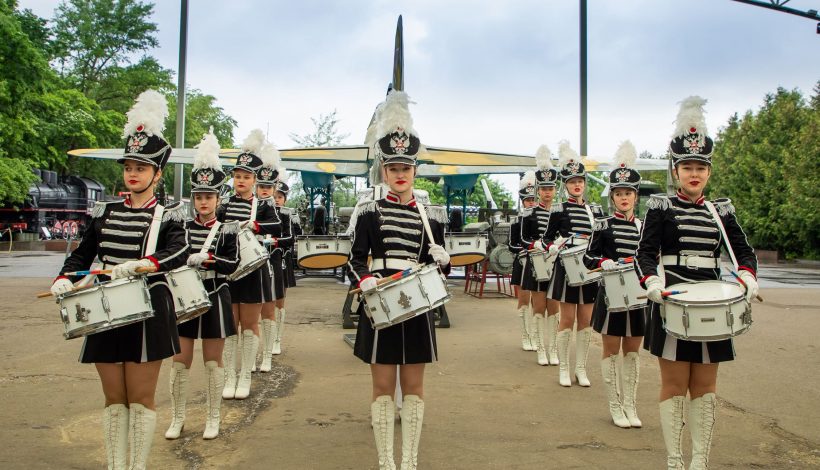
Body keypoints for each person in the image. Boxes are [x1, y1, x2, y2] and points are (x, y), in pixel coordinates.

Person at [50, 90, 188, 469]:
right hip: (103, 304)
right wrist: (64, 278)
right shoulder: (104, 210)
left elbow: (179, 252)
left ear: (157, 174)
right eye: (129, 166)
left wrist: (144, 264)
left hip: (149, 308)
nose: (132, 173)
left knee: (140, 398)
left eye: (141, 168)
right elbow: (82, 253)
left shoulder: (170, 213)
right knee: (113, 398)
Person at [635, 97, 758, 469]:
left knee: (705, 389)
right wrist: (652, 283)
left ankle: (699, 462)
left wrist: (747, 280)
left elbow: (744, 253)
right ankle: (675, 461)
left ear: (708, 171)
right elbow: (644, 254)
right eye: (686, 166)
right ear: (675, 171)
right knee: (674, 387)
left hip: (713, 304)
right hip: (671, 298)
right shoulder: (660, 207)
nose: (693, 173)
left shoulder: (720, 210)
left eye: (699, 168)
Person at [348, 90, 451, 470]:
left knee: (415, 388)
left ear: (415, 170)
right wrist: (364, 282)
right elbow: (354, 260)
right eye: (393, 168)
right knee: (381, 388)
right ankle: (385, 460)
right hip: (381, 301)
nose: (400, 175)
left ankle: (409, 459)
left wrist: (443, 260)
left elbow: (439, 269)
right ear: (383, 171)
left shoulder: (432, 215)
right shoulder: (368, 212)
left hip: (417, 305)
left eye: (406, 168)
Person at [164, 129, 239, 441]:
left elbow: (233, 265)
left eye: (208, 196)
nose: (203, 201)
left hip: (215, 294)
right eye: (198, 196)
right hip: (183, 299)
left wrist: (207, 261)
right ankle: (177, 417)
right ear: (193, 198)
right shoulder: (179, 226)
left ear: (218, 198)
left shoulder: (228, 229)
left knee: (212, 362)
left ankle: (212, 417)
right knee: (180, 362)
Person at [583, 140, 646, 428]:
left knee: (632, 354)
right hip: (611, 296)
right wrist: (602, 262)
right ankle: (615, 405)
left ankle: (631, 405)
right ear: (613, 197)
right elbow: (587, 258)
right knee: (611, 352)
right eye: (619, 193)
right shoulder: (603, 225)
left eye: (628, 193)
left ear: (635, 196)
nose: (624, 198)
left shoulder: (645, 227)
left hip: (639, 296)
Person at [218, 131, 282, 400]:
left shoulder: (264, 204)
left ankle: (245, 375)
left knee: (249, 323)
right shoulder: (223, 205)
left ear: (255, 180)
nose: (240, 181)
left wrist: (255, 225)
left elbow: (277, 225)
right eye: (237, 176)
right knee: (230, 325)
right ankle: (229, 376)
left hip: (253, 270)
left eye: (246, 177)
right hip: (228, 270)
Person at [540, 141, 604, 387]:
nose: (577, 185)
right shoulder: (558, 209)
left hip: (588, 268)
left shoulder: (595, 210)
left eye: (580, 181)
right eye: (572, 181)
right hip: (566, 269)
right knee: (567, 320)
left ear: (585, 183)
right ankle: (564, 368)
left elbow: (600, 239)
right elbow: (546, 239)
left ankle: (581, 368)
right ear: (565, 185)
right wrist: (555, 245)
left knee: (586, 321)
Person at [519, 145, 562, 365]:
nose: (547, 192)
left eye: (550, 188)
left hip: (556, 263)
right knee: (538, 307)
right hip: (536, 263)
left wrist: (559, 243)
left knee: (554, 308)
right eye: (543, 188)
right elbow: (522, 239)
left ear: (555, 189)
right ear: (537, 190)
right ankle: (541, 350)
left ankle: (553, 349)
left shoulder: (560, 211)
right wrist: (536, 243)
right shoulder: (529, 213)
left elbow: (565, 235)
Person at [255, 153, 291, 371]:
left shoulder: (284, 215)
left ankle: (275, 339)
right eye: (262, 186)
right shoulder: (252, 208)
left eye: (270, 187)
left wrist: (274, 240)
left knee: (276, 301)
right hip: (254, 260)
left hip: (275, 260)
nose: (266, 191)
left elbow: (290, 239)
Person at [508, 171, 538, 351]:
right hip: (522, 263)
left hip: (540, 263)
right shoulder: (517, 221)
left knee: (539, 302)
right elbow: (512, 245)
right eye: (528, 200)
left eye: (533, 199)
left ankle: (535, 334)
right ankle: (525, 335)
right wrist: (524, 250)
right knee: (524, 300)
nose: (531, 203)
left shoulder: (544, 218)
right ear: (523, 201)